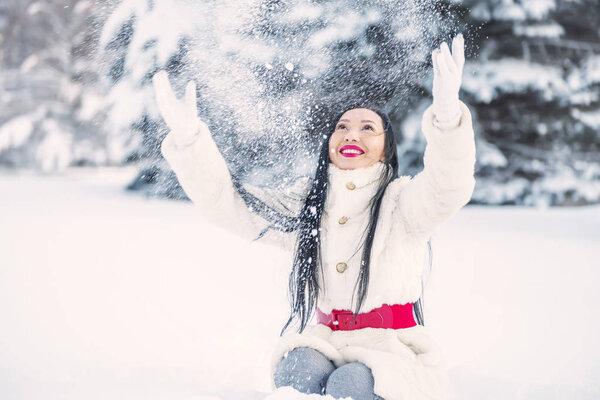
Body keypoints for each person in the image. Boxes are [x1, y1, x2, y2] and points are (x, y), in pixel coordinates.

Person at [153, 33, 476, 400]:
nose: (351, 133)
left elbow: (448, 187)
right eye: (342, 127)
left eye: (368, 128)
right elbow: (230, 205)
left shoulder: (402, 202)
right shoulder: (307, 205)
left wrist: (448, 120)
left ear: (387, 151)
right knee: (297, 369)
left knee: (350, 385)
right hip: (326, 341)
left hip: (392, 349)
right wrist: (190, 139)